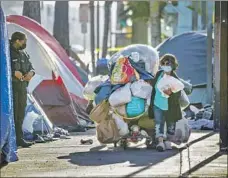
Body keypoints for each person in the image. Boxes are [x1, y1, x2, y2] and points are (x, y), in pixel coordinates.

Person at [150, 54, 182, 152]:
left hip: (170, 105)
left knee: (170, 124)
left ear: (172, 65)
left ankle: (168, 141)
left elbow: (178, 92)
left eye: (167, 63)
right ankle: (160, 142)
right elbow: (153, 87)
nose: (165, 65)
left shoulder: (174, 77)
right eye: (163, 63)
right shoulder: (159, 74)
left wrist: (170, 92)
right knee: (158, 123)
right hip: (157, 103)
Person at [10, 32, 35, 147]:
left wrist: (31, 73)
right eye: (24, 40)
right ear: (17, 40)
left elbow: (31, 67)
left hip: (22, 88)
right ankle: (11, 139)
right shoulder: (7, 52)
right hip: (11, 89)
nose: (25, 43)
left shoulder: (23, 53)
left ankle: (19, 138)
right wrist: (13, 73)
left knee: (20, 113)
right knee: (12, 113)